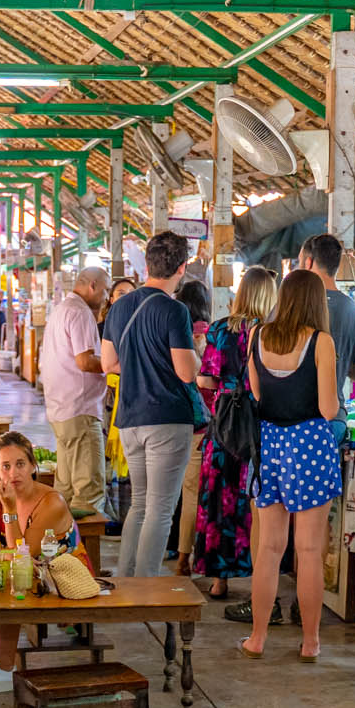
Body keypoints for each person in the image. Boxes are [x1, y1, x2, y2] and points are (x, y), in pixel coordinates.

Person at [238, 270, 339, 663]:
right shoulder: (320, 342)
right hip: (310, 444)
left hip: (269, 444)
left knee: (268, 547)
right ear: (316, 301)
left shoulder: (257, 336)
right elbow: (329, 408)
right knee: (309, 550)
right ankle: (310, 642)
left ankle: (258, 637)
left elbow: (258, 394)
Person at [101, 230, 199, 578]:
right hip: (167, 419)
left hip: (129, 418)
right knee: (160, 508)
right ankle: (145, 588)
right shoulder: (174, 311)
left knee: (140, 504)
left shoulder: (120, 306)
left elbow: (108, 364)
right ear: (182, 268)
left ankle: (127, 579)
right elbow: (186, 373)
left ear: (146, 264)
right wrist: (198, 358)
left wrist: (140, 363)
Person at [0, 432, 79, 694]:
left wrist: (10, 511)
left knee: (5, 575)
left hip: (61, 572)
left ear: (33, 466)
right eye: (5, 466)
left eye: (20, 464)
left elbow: (24, 555)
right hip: (24, 566)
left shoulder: (52, 502)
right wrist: (3, 556)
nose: (13, 473)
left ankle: (4, 667)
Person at [189, 265, 275, 604]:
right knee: (257, 502)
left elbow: (204, 380)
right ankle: (263, 580)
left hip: (225, 424)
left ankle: (218, 581)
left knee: (219, 500)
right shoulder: (273, 332)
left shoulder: (221, 329)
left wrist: (228, 386)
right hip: (263, 425)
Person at [40, 266, 110, 518]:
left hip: (61, 408)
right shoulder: (80, 312)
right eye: (105, 290)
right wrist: (115, 365)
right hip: (80, 409)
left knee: (66, 490)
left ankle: (62, 552)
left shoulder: (61, 310)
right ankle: (83, 555)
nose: (106, 297)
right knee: (88, 496)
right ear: (92, 286)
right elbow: (84, 361)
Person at [298, 232, 355, 392]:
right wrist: (342, 361)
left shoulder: (288, 305)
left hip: (289, 412)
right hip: (334, 412)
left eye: (299, 262)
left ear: (308, 263)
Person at [172, 279, 214, 561]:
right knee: (193, 492)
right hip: (203, 424)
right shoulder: (212, 336)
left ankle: (176, 555)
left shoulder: (174, 335)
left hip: (172, 420)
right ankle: (186, 558)